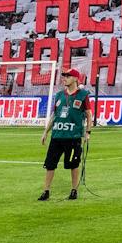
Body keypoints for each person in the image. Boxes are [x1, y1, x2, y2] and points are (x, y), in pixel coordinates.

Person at [39, 68, 93, 201]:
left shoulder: (83, 95)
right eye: (64, 76)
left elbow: (88, 114)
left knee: (73, 165)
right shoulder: (59, 95)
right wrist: (45, 132)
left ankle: (74, 190)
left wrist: (88, 132)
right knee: (50, 164)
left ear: (75, 78)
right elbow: (54, 116)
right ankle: (46, 191)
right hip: (57, 136)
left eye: (68, 76)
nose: (64, 78)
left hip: (73, 137)